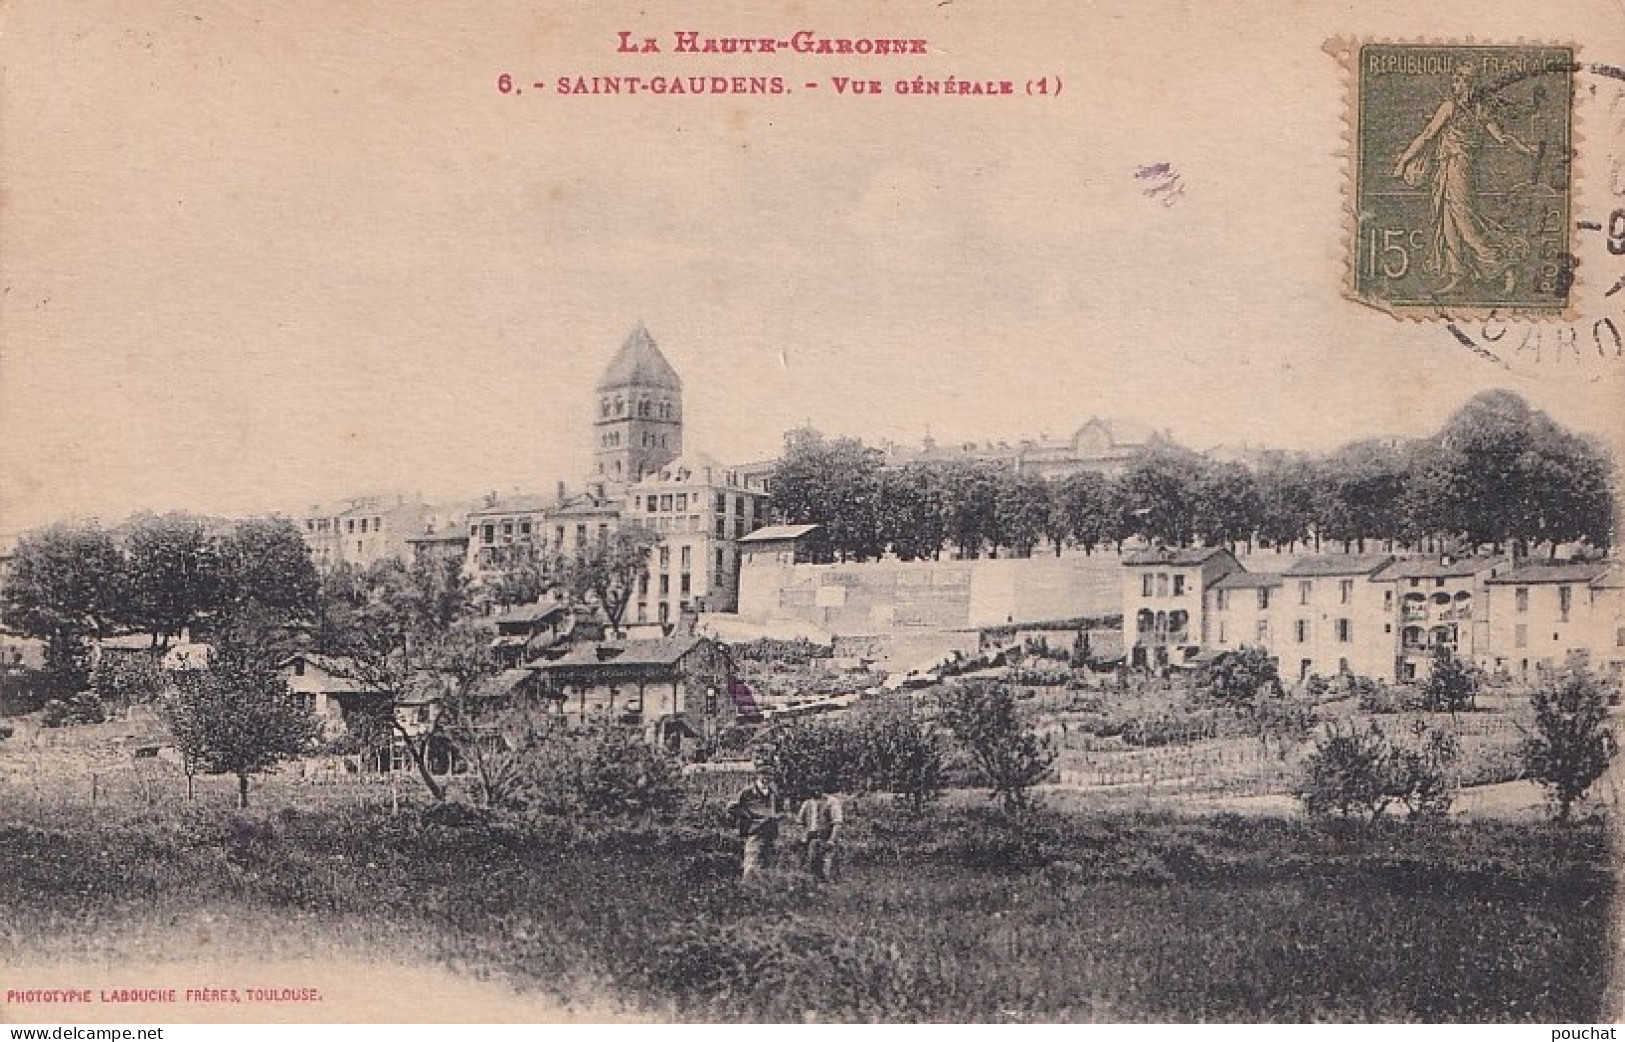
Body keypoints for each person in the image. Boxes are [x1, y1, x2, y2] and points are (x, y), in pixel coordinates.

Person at [1392, 60, 1538, 296]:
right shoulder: (1462, 108)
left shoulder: (1464, 108)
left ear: (1471, 84)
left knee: (1465, 224)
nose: (1456, 83)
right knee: (1448, 221)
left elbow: (1501, 137)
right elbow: (1429, 135)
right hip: (1447, 168)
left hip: (1459, 169)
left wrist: (1525, 150)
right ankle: (1457, 275)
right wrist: (1404, 161)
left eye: (1461, 80)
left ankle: (1505, 267)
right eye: (1455, 79)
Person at [727, 773, 781, 882]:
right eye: (764, 775)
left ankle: (761, 892)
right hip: (754, 831)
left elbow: (778, 809)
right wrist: (748, 816)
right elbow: (732, 807)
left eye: (770, 776)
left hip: (770, 831)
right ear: (758, 775)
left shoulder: (773, 793)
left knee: (766, 864)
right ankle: (746, 889)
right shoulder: (748, 792)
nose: (767, 778)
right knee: (751, 861)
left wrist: (775, 818)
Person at [796, 785, 845, 883]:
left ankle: (830, 884)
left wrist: (832, 840)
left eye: (818, 788)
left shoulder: (832, 802)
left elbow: (837, 823)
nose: (816, 791)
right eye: (813, 788)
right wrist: (803, 834)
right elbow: (799, 822)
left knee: (827, 867)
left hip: (826, 837)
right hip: (811, 838)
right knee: (809, 866)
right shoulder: (808, 803)